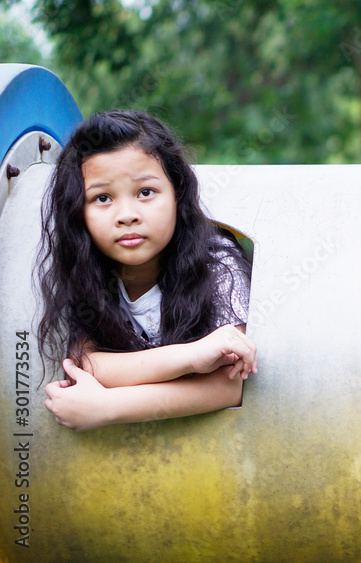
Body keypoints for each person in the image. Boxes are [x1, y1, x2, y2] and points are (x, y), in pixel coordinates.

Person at [37, 110, 257, 432]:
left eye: (145, 192)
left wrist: (109, 407)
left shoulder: (217, 261)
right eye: (102, 198)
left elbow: (230, 385)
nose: (127, 215)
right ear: (78, 211)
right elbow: (87, 364)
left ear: (177, 190)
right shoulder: (86, 268)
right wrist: (192, 356)